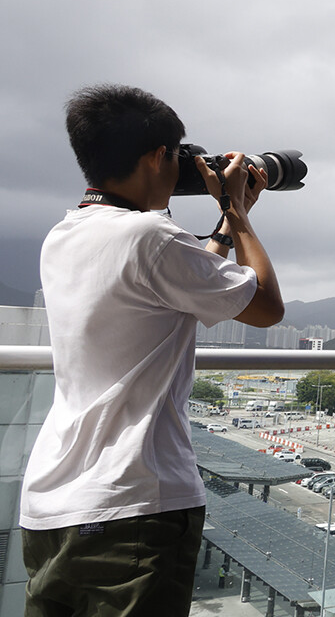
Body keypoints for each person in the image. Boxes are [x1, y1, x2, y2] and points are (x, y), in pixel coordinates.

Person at [20, 85, 285, 617]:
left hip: (51, 504)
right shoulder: (150, 237)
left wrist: (222, 229)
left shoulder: (62, 235)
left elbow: (178, 281)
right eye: (178, 154)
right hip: (133, 503)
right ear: (156, 156)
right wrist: (237, 210)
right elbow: (266, 307)